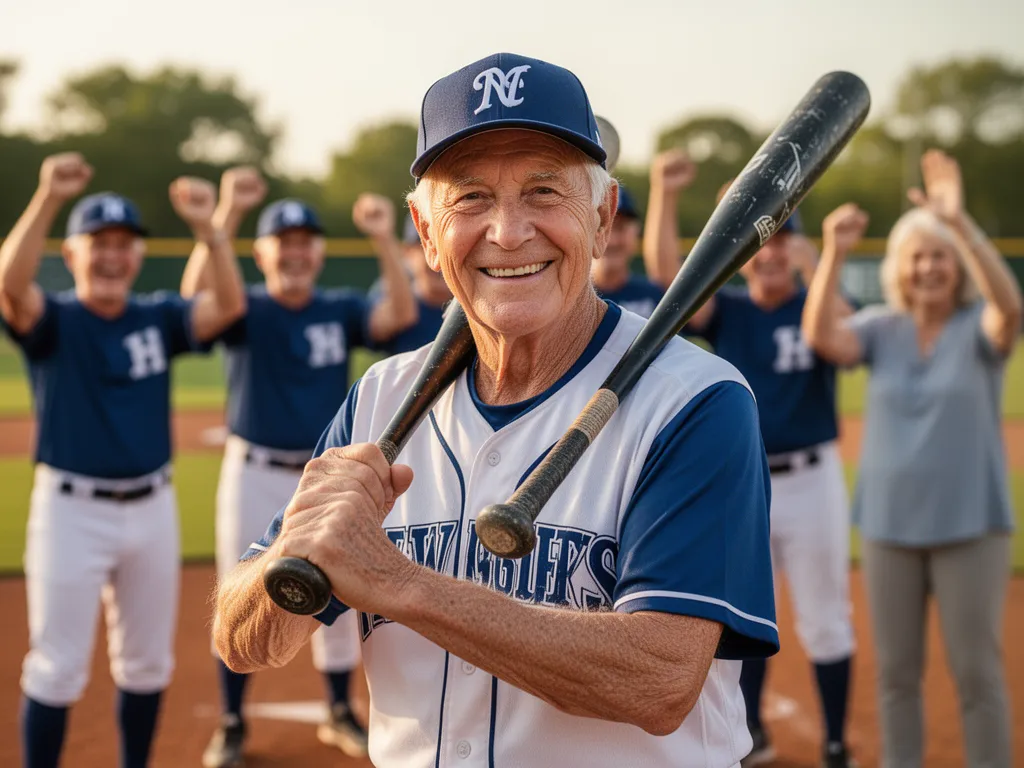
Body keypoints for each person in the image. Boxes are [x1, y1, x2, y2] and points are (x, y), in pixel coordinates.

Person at [212, 52, 779, 768]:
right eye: (471, 198)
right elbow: (241, 640)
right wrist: (294, 557)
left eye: (544, 191)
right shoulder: (382, 401)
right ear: (424, 232)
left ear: (603, 216)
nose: (508, 232)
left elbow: (659, 678)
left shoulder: (694, 402)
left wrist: (396, 582)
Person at [0, 153, 246, 768]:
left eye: (124, 244)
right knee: (56, 665)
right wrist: (48, 198)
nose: (113, 255)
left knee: (147, 661)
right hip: (70, 512)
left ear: (138, 256)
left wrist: (212, 231)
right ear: (72, 256)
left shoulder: (156, 316)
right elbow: (9, 283)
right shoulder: (55, 320)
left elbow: (227, 307)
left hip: (152, 507)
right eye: (98, 243)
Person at [179, 171, 418, 767]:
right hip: (254, 468)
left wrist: (387, 239)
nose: (294, 249)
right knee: (243, 585)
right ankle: (232, 721)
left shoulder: (337, 307)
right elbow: (195, 303)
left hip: (324, 472)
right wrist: (222, 219)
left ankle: (339, 710)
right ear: (260, 254)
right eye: (281, 240)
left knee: (336, 591)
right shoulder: (244, 307)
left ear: (318, 252)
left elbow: (397, 313)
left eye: (306, 239)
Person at [802, 149, 1021, 768]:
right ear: (902, 266)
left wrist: (958, 223)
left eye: (941, 256)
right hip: (889, 527)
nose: (929, 268)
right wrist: (834, 253)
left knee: (977, 674)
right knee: (896, 676)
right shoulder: (881, 328)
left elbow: (1012, 307)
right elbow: (824, 337)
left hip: (971, 526)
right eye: (919, 256)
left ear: (958, 264)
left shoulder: (983, 328)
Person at [653, 174, 859, 766]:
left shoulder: (815, 305)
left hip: (813, 480)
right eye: (760, 245)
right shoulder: (731, 313)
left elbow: (842, 325)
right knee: (739, 616)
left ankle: (837, 741)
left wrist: (821, 258)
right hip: (746, 485)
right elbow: (675, 279)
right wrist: (667, 198)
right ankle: (753, 734)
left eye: (781, 242)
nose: (769, 254)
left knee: (826, 618)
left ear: (795, 252)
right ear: (743, 258)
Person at [590, 149, 696, 318]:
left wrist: (666, 190)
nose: (613, 240)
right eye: (602, 227)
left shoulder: (655, 296)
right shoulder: (566, 299)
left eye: (621, 228)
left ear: (636, 232)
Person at [359, 203, 453, 355]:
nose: (440, 258)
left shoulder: (478, 306)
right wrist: (384, 237)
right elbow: (400, 316)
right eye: (429, 246)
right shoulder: (395, 298)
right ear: (408, 253)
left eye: (447, 245)